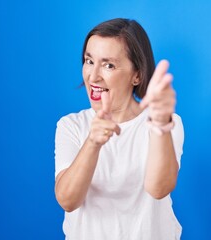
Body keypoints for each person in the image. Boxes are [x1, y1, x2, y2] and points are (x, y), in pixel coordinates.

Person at [54, 18, 184, 240]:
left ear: (137, 75)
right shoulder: (70, 125)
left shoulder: (165, 123)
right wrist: (93, 142)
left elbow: (159, 188)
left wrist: (161, 125)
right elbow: (67, 200)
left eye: (109, 65)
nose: (93, 76)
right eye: (89, 61)